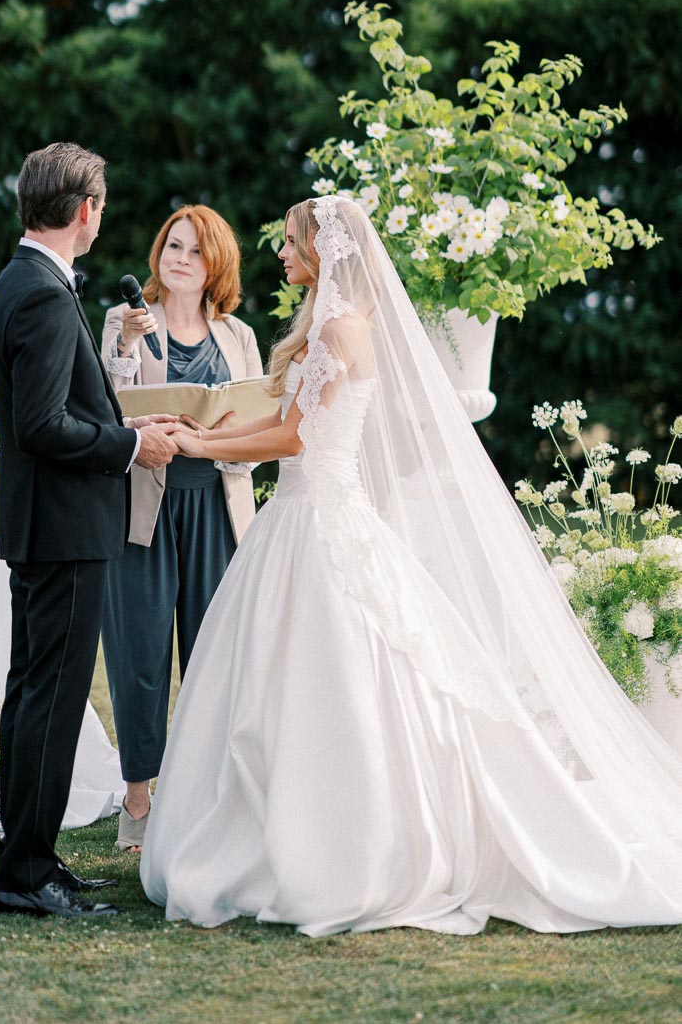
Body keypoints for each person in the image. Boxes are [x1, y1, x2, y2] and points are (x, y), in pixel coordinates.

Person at [140, 195, 682, 936]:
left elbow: (296, 441)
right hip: (305, 516)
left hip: (318, 519)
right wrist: (205, 426)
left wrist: (198, 448)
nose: (282, 254)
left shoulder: (338, 326)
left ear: (326, 252)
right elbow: (281, 421)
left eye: (293, 243)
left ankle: (342, 846)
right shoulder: (330, 323)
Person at [0, 141, 178, 920]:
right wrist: (133, 446)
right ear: (85, 209)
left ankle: (32, 859)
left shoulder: (28, 279)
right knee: (50, 703)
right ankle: (25, 877)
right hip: (64, 532)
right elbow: (41, 425)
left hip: (52, 529)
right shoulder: (39, 290)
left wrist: (133, 423)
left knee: (38, 698)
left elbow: (67, 411)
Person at [100, 204, 263, 850]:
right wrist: (125, 349)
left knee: (212, 656)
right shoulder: (124, 322)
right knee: (138, 653)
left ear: (215, 264)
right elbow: (106, 409)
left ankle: (205, 799)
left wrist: (218, 438)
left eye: (195, 251)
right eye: (172, 245)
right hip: (144, 509)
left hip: (218, 512)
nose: (180, 258)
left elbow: (253, 428)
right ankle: (138, 800)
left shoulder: (239, 336)